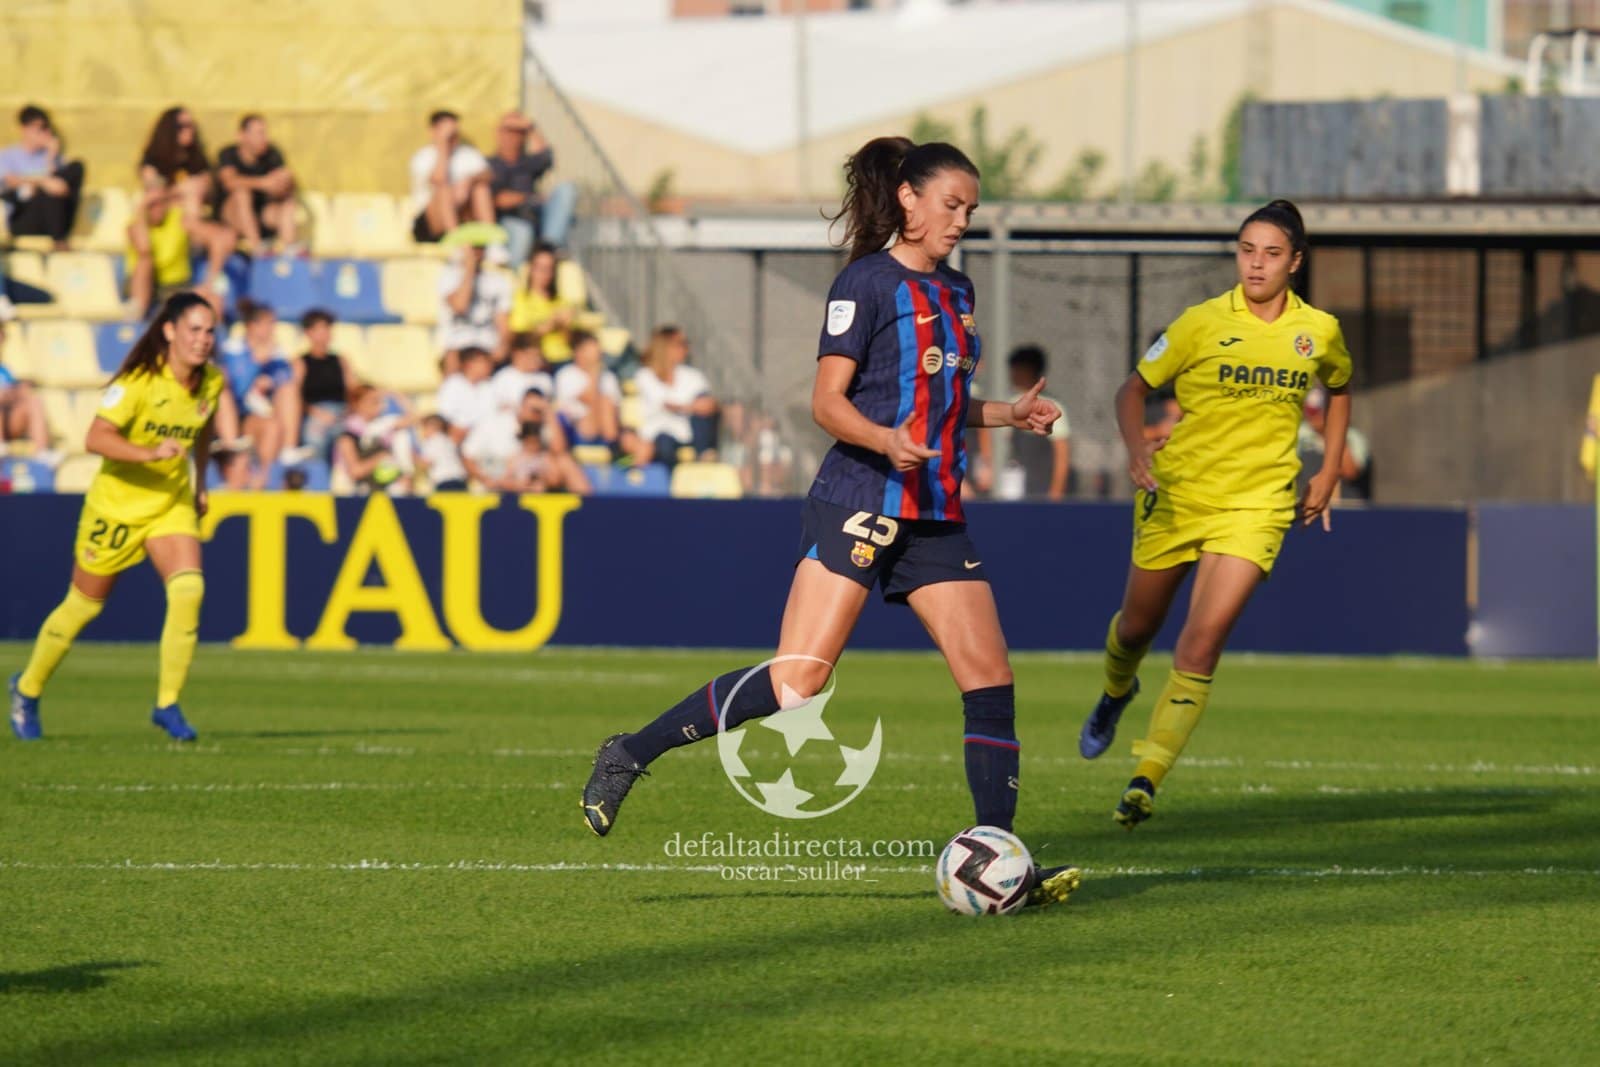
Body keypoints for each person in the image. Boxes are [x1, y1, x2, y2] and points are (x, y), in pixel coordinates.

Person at [577, 136, 1077, 908]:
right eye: (952, 205)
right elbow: (827, 403)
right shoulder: (865, 284)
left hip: (935, 511)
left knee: (991, 676)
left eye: (971, 210)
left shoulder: (959, 292)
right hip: (860, 500)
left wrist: (1008, 413)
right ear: (908, 199)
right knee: (797, 682)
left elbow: (941, 405)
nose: (961, 221)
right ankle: (630, 751)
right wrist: (884, 441)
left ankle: (1001, 858)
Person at [1077, 199, 1354, 829]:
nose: (1256, 264)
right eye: (1247, 250)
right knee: (1137, 629)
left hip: (1257, 505)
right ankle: (1117, 690)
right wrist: (1135, 448)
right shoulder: (1202, 322)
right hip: (1178, 495)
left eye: (1272, 253)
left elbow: (1339, 390)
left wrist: (1330, 468)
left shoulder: (1320, 331)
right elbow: (1132, 388)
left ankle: (1146, 778)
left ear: (1296, 262)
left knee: (1202, 640)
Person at [9, 292, 229, 742]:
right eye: (195, 330)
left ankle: (167, 703)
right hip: (116, 509)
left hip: (169, 503)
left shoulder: (212, 383)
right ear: (169, 331)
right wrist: (150, 453)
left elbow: (203, 429)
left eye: (210, 331)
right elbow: (96, 437)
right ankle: (27, 688)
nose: (204, 340)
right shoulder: (136, 383)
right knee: (82, 608)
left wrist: (201, 481)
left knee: (189, 590)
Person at [127, 107, 235, 316]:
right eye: (183, 126)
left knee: (225, 238)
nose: (189, 131)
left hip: (187, 222)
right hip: (167, 222)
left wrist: (188, 192)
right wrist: (181, 191)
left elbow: (206, 189)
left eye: (191, 126)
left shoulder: (198, 162)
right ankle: (137, 309)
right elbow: (154, 194)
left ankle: (208, 284)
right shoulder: (153, 164)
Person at [216, 299, 294, 487]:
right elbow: (235, 391)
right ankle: (233, 454)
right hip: (228, 416)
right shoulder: (231, 351)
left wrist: (270, 380)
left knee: (272, 425)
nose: (272, 329)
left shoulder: (276, 354)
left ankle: (263, 478)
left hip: (256, 417)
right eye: (268, 324)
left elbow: (286, 378)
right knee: (223, 395)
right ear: (252, 325)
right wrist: (257, 364)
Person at [488, 110, 578, 262]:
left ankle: (548, 247)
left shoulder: (526, 162)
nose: (513, 137)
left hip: (536, 217)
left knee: (567, 189)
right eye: (509, 131)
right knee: (522, 232)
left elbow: (546, 156)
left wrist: (531, 127)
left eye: (519, 132)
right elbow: (496, 200)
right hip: (510, 219)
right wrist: (527, 198)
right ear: (499, 133)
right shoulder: (491, 165)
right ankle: (514, 279)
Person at [0, 105, 85, 248]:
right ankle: (59, 241)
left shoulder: (52, 158)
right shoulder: (7, 156)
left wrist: (51, 158)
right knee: (48, 191)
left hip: (54, 217)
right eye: (40, 128)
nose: (46, 132)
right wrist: (43, 182)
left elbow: (60, 187)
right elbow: (11, 181)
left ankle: (59, 238)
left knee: (76, 167)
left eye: (47, 127)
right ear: (24, 129)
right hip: (24, 217)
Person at [634, 324, 718, 466]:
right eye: (681, 344)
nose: (686, 349)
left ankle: (704, 457)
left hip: (687, 433)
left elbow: (709, 405)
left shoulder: (692, 375)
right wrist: (692, 406)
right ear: (664, 347)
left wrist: (685, 407)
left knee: (702, 419)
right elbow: (666, 404)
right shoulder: (644, 376)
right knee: (665, 444)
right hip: (657, 434)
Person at [282, 308, 359, 461]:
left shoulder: (341, 361)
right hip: (314, 413)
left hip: (341, 411)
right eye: (320, 329)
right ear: (308, 332)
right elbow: (294, 398)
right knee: (315, 437)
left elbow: (354, 390)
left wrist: (348, 411)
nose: (325, 333)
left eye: (327, 328)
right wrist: (316, 412)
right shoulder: (300, 363)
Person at [215, 114, 298, 253]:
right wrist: (264, 183)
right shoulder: (228, 154)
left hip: (260, 216)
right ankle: (257, 249)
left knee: (288, 202)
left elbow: (284, 184)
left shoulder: (272, 154)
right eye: (259, 133)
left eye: (265, 133)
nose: (264, 138)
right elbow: (229, 182)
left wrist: (285, 181)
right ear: (241, 135)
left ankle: (289, 251)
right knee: (242, 193)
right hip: (232, 216)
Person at [409, 110, 492, 243]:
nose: (453, 137)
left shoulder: (467, 153)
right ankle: (456, 241)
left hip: (462, 215)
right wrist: (443, 147)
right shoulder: (423, 157)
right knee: (443, 190)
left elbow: (488, 175)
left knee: (480, 187)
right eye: (448, 133)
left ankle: (492, 241)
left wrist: (469, 181)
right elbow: (438, 180)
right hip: (431, 223)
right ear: (433, 131)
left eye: (454, 133)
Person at [1002, 344, 1070, 500]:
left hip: (1042, 486)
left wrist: (1056, 492)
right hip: (1016, 487)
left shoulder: (1051, 407)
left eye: (1017, 369)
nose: (1012, 374)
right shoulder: (1008, 403)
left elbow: (1062, 454)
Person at [437, 242, 512, 370]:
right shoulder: (448, 276)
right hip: (458, 343)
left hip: (487, 345)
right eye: (473, 248)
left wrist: (503, 346)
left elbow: (503, 321)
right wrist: (469, 268)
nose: (477, 252)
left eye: (480, 247)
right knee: (452, 357)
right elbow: (460, 306)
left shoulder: (499, 280)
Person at [333, 384, 414, 495]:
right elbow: (355, 471)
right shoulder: (348, 435)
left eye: (379, 400)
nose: (379, 405)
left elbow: (411, 419)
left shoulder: (381, 426)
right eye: (373, 401)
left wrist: (395, 395)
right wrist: (380, 458)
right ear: (357, 404)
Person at [507, 243, 580, 364]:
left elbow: (570, 340)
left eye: (549, 269)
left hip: (563, 358)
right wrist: (552, 323)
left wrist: (565, 326)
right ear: (531, 268)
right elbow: (522, 336)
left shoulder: (561, 300)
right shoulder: (520, 298)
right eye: (540, 268)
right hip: (536, 360)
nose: (545, 274)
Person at [551, 330, 623, 451]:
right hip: (578, 429)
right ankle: (613, 449)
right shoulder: (566, 375)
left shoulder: (609, 377)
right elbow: (589, 398)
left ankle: (616, 454)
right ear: (579, 352)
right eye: (593, 350)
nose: (599, 354)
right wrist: (594, 375)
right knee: (603, 403)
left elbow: (615, 408)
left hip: (607, 426)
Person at [1298, 384, 1370, 500]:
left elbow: (1351, 471)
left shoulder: (1353, 436)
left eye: (1317, 412)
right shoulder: (1301, 433)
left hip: (1349, 508)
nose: (1313, 417)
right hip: (1309, 504)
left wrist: (1333, 433)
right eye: (1310, 412)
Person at [417, 415, 468, 492]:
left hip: (444, 482)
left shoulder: (431, 441)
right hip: (461, 480)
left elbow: (427, 463)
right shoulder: (448, 440)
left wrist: (412, 457)